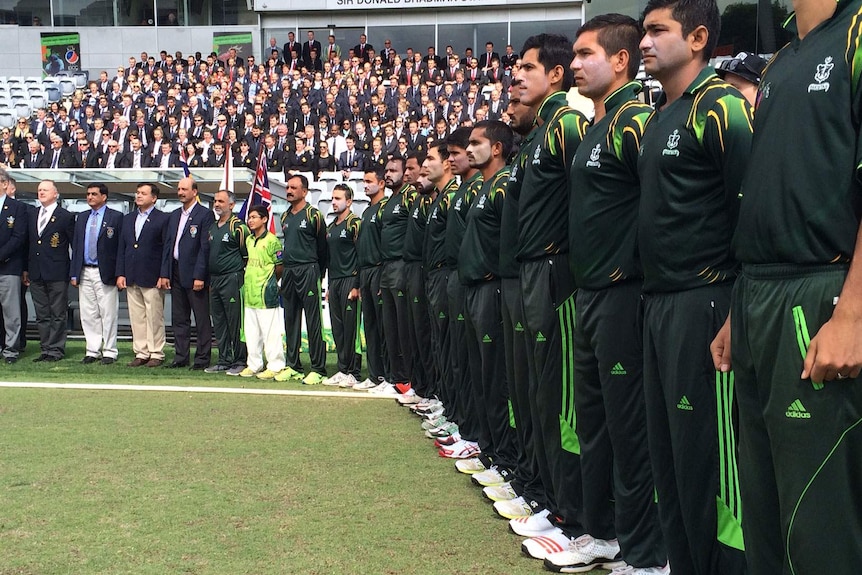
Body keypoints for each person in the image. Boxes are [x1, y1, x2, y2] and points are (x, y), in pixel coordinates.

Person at [711, 1, 862, 574]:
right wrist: (736, 313)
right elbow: (769, 193)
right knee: (764, 513)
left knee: (818, 521)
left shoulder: (856, 30)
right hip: (757, 298)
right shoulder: (777, 63)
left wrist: (852, 315)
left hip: (820, 290)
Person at [543, 14, 667, 574]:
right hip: (590, 296)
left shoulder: (636, 120)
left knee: (629, 430)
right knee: (594, 426)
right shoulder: (597, 125)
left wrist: (632, 275)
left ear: (620, 60)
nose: (574, 64)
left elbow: (657, 204)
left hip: (624, 295)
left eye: (586, 53)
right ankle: (602, 534)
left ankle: (645, 554)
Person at [638, 1, 752, 573]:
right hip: (657, 304)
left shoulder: (722, 105)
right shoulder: (661, 115)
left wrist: (737, 309)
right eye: (643, 32)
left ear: (699, 36)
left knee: (710, 466)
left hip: (705, 303)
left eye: (658, 31)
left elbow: (751, 212)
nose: (644, 42)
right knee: (670, 461)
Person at [505, 33, 589, 551]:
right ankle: (550, 497)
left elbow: (593, 200)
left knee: (564, 399)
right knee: (541, 391)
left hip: (559, 274)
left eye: (526, 69)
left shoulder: (568, 126)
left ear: (554, 75)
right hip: (534, 273)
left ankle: (573, 514)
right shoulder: (538, 134)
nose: (515, 78)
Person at [455, 120, 520, 496]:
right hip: (475, 287)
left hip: (494, 288)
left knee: (498, 379)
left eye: (476, 143)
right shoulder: (485, 187)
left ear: (496, 148)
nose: (470, 149)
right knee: (482, 374)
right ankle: (491, 451)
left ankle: (506, 459)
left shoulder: (504, 184)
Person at [274, 174, 328, 384]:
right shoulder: (285, 217)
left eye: (294, 188)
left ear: (304, 192)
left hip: (309, 270)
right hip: (289, 272)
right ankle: (293, 365)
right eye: (288, 187)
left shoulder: (314, 215)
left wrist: (318, 272)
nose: (289, 190)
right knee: (290, 320)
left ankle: (318, 368)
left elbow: (323, 249)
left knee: (313, 321)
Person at [419, 141, 459, 410]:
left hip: (447, 276)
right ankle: (445, 403)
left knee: (451, 346)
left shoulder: (455, 194)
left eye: (429, 158)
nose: (424, 165)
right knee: (440, 344)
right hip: (435, 276)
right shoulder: (439, 197)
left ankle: (454, 410)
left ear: (446, 163)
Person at [373, 157, 415, 397]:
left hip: (402, 265)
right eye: (386, 171)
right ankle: (394, 377)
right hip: (386, 268)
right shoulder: (388, 202)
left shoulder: (409, 196)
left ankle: (408, 379)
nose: (389, 174)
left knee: (403, 327)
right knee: (389, 327)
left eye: (394, 170)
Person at [117, 182, 171, 368]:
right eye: (137, 192)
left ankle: (156, 352)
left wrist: (164, 274)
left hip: (152, 275)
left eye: (143, 193)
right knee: (137, 316)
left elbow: (166, 249)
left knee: (154, 316)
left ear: (153, 198)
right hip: (132, 274)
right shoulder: (128, 218)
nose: (138, 196)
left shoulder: (162, 218)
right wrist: (121, 273)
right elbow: (122, 247)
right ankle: (141, 352)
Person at [163, 177, 214, 370]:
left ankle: (202, 359)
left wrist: (200, 276)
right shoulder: (174, 215)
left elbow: (204, 248)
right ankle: (181, 356)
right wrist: (165, 273)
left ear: (195, 192)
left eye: (184, 189)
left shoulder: (204, 215)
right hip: (175, 271)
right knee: (179, 318)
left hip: (194, 274)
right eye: (178, 189)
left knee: (201, 319)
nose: (180, 192)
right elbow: (169, 246)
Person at [70, 183, 123, 365]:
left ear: (104, 196)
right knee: (88, 313)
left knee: (108, 313)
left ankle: (109, 350)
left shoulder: (115, 217)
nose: (90, 197)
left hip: (105, 271)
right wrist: (74, 272)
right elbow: (76, 246)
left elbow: (120, 248)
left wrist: (119, 272)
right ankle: (92, 349)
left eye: (94, 194)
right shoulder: (82, 217)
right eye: (88, 194)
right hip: (85, 270)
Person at [25, 180, 75, 362]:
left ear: (55, 193)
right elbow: (28, 244)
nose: (41, 192)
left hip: (57, 271)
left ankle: (56, 350)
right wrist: (26, 269)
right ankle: (45, 348)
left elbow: (73, 244)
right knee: (42, 314)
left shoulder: (65, 216)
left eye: (45, 190)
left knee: (58, 313)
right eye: (39, 190)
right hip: (36, 271)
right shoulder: (32, 214)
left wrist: (73, 271)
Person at [322, 184, 362, 388]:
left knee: (350, 329)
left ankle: (354, 372)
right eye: (333, 198)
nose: (334, 202)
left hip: (350, 280)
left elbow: (361, 255)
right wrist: (329, 286)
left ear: (349, 201)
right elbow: (330, 260)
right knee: (338, 329)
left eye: (338, 198)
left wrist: (357, 285)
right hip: (335, 282)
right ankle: (342, 368)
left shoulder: (355, 224)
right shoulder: (331, 227)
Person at [239, 205, 286, 379]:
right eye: (249, 217)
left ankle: (275, 365)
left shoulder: (272, 241)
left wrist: (271, 283)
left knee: (270, 332)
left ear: (264, 219)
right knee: (252, 332)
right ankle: (254, 364)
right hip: (250, 293)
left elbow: (280, 266)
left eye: (254, 217)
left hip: (266, 293)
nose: (250, 220)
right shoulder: (249, 240)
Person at [354, 168, 390, 391]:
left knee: (384, 326)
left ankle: (387, 375)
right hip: (365, 272)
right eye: (363, 181)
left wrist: (384, 275)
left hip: (379, 271)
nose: (365, 185)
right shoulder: (367, 211)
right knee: (370, 327)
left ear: (382, 183)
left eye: (369, 181)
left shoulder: (385, 208)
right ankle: (374, 374)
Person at [206, 189, 249, 375]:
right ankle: (224, 359)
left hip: (232, 279)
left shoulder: (238, 227)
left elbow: (246, 255)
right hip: (214, 280)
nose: (217, 204)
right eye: (215, 201)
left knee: (235, 321)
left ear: (231, 205)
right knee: (219, 321)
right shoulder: (213, 227)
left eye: (221, 201)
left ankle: (240, 359)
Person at [0, 169, 27, 364]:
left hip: (8, 267)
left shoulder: (18, 207)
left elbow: (18, 237)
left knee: (11, 312)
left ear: (4, 184)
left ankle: (11, 350)